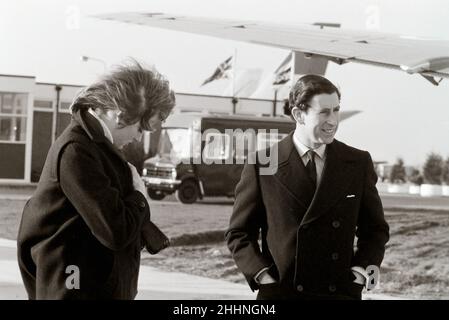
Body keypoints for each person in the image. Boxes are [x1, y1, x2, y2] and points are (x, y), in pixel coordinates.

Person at [17, 61, 175, 299]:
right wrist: (140, 197)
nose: (138, 138)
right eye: (140, 129)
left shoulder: (97, 148)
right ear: (119, 115)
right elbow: (115, 231)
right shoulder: (77, 151)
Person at [226, 74, 389, 300]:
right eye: (324, 112)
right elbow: (239, 233)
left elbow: (375, 230)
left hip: (338, 293)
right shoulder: (263, 163)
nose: (333, 120)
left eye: (336, 110)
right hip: (283, 293)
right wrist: (263, 276)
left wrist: (360, 272)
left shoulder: (357, 162)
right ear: (298, 114)